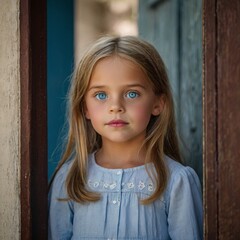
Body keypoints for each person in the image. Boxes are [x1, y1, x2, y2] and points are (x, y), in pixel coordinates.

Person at [48, 36, 203, 240]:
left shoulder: (176, 181)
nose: (116, 106)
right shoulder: (70, 180)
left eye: (132, 94)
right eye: (101, 95)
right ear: (85, 107)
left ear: (158, 103)